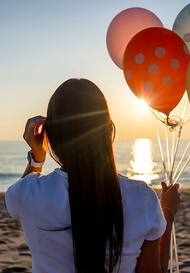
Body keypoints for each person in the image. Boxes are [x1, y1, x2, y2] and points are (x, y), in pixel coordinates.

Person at [5, 78, 180, 273]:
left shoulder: (26, 194)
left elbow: (16, 203)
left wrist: (37, 159)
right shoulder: (143, 198)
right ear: (107, 130)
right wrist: (167, 212)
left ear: (50, 135)